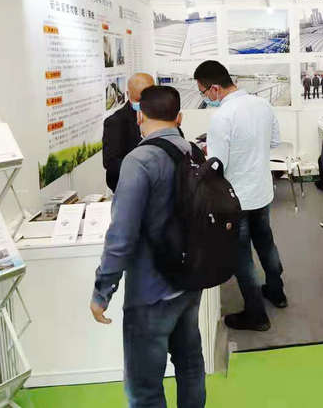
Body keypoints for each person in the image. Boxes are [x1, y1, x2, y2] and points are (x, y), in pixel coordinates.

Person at [90, 86, 206, 408]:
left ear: (140, 116)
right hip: (189, 281)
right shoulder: (193, 152)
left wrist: (102, 291)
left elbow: (121, 236)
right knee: (190, 366)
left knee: (144, 388)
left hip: (150, 291)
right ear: (179, 117)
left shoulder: (138, 161)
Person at [194, 60, 286, 332]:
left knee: (241, 256)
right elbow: (274, 142)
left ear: (214, 89)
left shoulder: (222, 117)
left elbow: (217, 164)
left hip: (235, 199)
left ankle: (256, 314)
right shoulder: (262, 104)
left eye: (203, 92)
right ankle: (277, 292)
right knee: (266, 242)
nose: (204, 97)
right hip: (262, 191)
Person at [102, 73, 154, 192]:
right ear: (128, 94)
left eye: (147, 99)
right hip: (130, 187)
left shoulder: (161, 114)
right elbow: (111, 164)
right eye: (139, 100)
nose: (143, 104)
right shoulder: (116, 122)